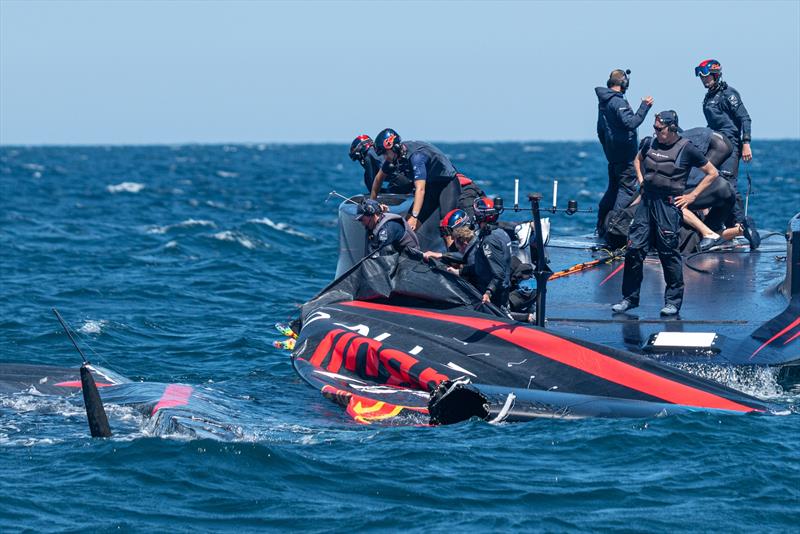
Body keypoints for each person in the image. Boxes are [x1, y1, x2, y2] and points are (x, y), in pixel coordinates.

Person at [612, 111, 719, 316]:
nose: (655, 131)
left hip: (668, 206)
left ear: (671, 128)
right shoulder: (649, 143)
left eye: (659, 129)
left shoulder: (687, 149)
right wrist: (642, 180)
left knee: (668, 254)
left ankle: (672, 302)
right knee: (634, 250)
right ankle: (629, 298)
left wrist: (692, 196)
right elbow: (637, 160)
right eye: (654, 128)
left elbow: (712, 173)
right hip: (647, 203)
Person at [696, 59, 759, 248]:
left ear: (716, 75)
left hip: (731, 145)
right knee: (708, 180)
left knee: (728, 184)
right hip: (715, 144)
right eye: (701, 77)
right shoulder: (709, 97)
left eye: (706, 76)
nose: (704, 80)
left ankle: (741, 224)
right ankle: (722, 224)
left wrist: (746, 142)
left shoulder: (728, 94)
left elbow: (745, 118)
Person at [369, 128, 461, 250]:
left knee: (445, 226)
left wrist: (415, 216)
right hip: (430, 186)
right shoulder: (394, 158)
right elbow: (377, 180)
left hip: (447, 183)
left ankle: (454, 262)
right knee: (406, 227)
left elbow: (420, 189)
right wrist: (372, 205)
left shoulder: (416, 157)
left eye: (385, 153)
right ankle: (404, 260)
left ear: (394, 148)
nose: (385, 157)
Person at [595, 69, 654, 237]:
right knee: (626, 191)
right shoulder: (616, 102)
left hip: (614, 156)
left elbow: (600, 130)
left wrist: (609, 150)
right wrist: (645, 106)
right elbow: (631, 122)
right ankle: (615, 227)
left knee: (613, 190)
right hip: (625, 157)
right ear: (624, 84)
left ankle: (601, 225)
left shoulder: (604, 102)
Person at [452, 198, 512, 307]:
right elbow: (484, 266)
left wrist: (488, 293)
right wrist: (460, 271)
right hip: (500, 289)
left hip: (494, 295)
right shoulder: (500, 233)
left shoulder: (489, 240)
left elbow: (499, 274)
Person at [349, 135, 413, 194]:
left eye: (358, 158)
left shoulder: (368, 156)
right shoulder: (377, 152)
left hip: (403, 183)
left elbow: (372, 186)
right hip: (410, 179)